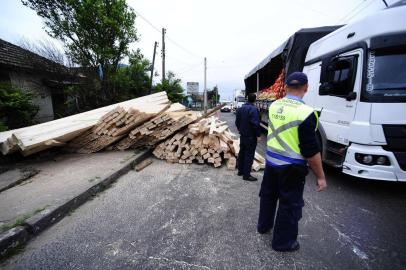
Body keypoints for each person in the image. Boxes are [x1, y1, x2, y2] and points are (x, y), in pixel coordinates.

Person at [257, 72, 327, 252]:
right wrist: (320, 176)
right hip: (291, 167)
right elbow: (311, 151)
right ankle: (283, 243)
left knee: (268, 196)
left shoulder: (273, 106)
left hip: (271, 163)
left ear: (286, 87)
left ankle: (263, 226)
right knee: (289, 204)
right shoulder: (306, 113)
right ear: (306, 88)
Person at [235, 93, 261, 181]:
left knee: (242, 153)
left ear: (247, 99)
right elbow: (255, 124)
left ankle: (240, 171)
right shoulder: (254, 110)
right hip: (251, 136)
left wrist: (239, 129)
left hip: (243, 135)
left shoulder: (240, 109)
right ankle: (246, 175)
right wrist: (258, 135)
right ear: (255, 100)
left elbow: (237, 122)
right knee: (249, 155)